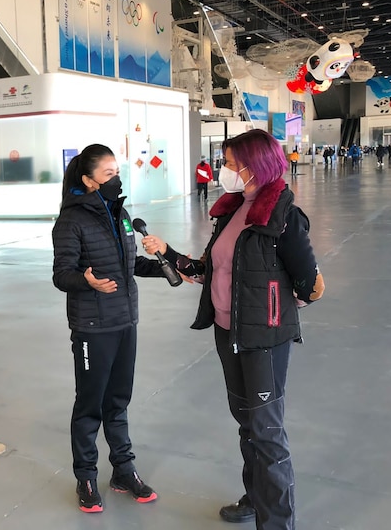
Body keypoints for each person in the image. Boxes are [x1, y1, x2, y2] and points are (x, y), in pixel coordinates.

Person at [141, 129, 324, 530]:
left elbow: (311, 284)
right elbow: (208, 268)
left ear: (252, 165)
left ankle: (276, 522)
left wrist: (272, 311)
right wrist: (167, 253)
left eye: (228, 163)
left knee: (267, 432)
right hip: (228, 333)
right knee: (246, 423)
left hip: (263, 340)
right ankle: (255, 497)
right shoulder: (231, 211)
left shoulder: (283, 216)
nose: (224, 170)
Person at [52, 144, 163, 514]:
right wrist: (87, 282)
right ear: (88, 180)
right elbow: (62, 275)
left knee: (118, 402)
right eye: (108, 174)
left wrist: (166, 267)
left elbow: (127, 266)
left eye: (118, 172)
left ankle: (123, 471)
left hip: (125, 321)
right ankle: (85, 476)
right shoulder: (71, 221)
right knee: (90, 406)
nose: (117, 179)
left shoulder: (122, 214)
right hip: (92, 326)